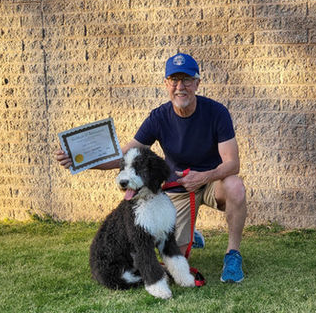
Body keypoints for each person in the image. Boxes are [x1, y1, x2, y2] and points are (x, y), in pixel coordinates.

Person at [56, 53, 247, 283]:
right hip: (178, 189)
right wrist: (81, 160)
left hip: (211, 182)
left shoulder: (217, 112)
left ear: (197, 83)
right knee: (172, 253)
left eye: (186, 80)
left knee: (235, 187)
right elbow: (124, 155)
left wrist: (204, 176)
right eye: (174, 80)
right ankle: (190, 233)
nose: (180, 87)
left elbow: (232, 164)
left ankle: (232, 255)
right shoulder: (158, 117)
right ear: (166, 84)